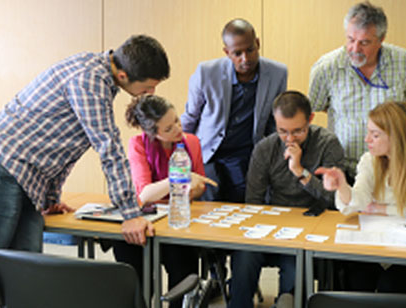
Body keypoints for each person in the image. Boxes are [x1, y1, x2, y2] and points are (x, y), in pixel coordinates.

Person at [0, 34, 169, 307]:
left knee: (25, 280)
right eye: (148, 86)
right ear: (124, 73)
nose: (151, 93)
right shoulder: (88, 79)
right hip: (0, 167)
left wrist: (50, 199)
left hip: (25, 179)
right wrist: (130, 214)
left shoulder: (102, 78)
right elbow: (108, 147)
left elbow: (65, 144)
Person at [228, 91, 346, 308]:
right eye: (283, 131)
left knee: (294, 266)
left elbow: (334, 200)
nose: (290, 139)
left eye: (297, 131)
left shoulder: (328, 144)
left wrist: (301, 172)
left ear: (310, 120)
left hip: (311, 227)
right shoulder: (265, 148)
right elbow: (253, 201)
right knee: (243, 256)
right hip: (272, 226)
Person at [316, 101, 406, 293]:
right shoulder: (369, 160)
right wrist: (342, 186)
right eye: (368, 132)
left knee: (390, 285)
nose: (366, 139)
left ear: (396, 137)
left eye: (375, 135)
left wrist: (381, 209)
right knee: (354, 277)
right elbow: (358, 200)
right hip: (377, 246)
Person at [114, 94, 216, 308]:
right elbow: (144, 195)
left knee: (182, 262)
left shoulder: (191, 142)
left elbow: (200, 186)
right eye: (168, 129)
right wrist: (180, 179)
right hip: (145, 221)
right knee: (130, 259)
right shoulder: (138, 144)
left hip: (177, 219)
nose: (178, 130)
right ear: (153, 134)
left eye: (177, 121)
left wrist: (189, 191)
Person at [309, 1, 406, 183]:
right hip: (344, 169)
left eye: (364, 42)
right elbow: (318, 106)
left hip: (391, 169)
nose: (355, 49)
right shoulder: (326, 68)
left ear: (381, 40)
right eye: (350, 40)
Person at [181, 18, 288, 204]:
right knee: (208, 208)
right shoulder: (206, 73)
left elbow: (274, 123)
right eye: (237, 53)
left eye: (250, 50)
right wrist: (179, 155)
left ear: (258, 43)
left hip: (245, 155)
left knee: (245, 207)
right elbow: (191, 118)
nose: (245, 59)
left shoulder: (278, 73)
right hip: (208, 153)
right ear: (226, 52)